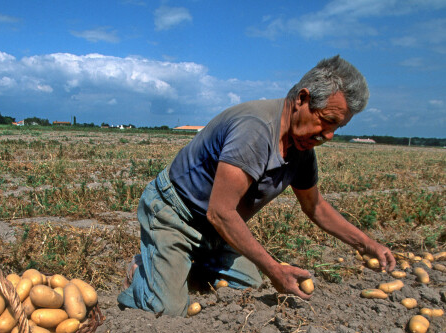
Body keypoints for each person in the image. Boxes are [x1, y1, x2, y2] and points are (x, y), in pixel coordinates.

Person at [118, 55, 396, 317]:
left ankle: (181, 265)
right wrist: (275, 270)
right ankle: (142, 270)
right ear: (302, 99)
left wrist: (367, 244)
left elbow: (315, 207)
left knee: (250, 289)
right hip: (176, 215)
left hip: (216, 232)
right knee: (167, 311)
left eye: (339, 128)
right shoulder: (256, 129)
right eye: (328, 121)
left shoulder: (301, 150)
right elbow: (221, 212)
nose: (330, 135)